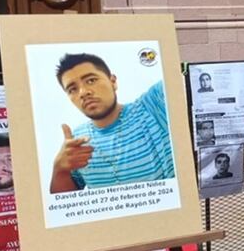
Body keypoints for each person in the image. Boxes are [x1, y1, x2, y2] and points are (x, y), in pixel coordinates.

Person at [50, 53, 174, 193]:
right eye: (72, 89)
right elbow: (65, 206)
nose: (83, 92)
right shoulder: (77, 140)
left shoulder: (152, 107)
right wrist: (60, 169)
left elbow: (176, 76)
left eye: (91, 80)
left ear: (113, 82)